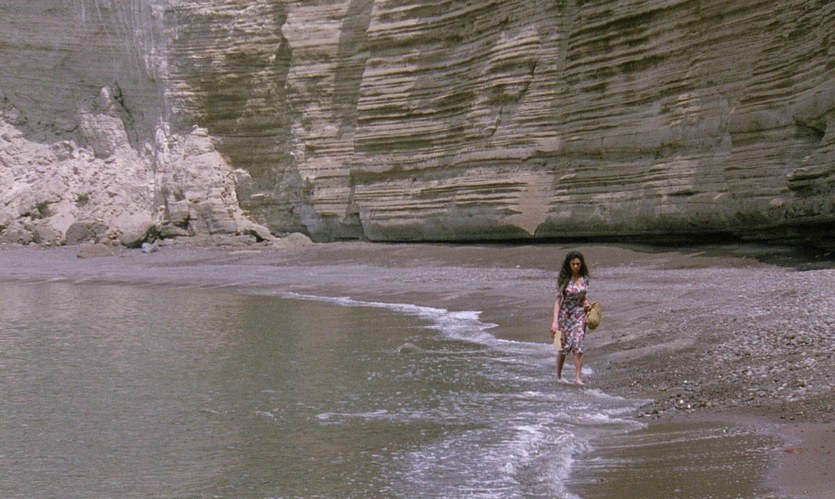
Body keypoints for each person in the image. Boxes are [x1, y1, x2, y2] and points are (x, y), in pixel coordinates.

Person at [550, 250, 591, 385]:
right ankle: (558, 375)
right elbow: (557, 301)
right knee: (561, 346)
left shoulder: (585, 279)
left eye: (578, 264)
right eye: (573, 264)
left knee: (578, 344)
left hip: (579, 315)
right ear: (568, 264)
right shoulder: (563, 281)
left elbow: (583, 296)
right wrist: (555, 322)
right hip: (564, 316)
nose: (576, 266)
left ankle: (578, 378)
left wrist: (586, 303)